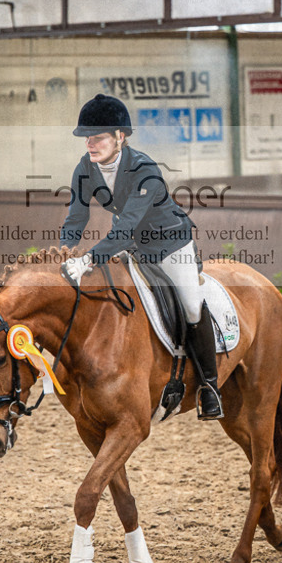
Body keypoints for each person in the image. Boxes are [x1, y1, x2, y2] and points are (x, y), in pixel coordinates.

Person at [59, 93, 223, 420]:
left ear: (120, 137)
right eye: (87, 138)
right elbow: (76, 217)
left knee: (191, 305)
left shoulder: (144, 169)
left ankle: (209, 386)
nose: (90, 144)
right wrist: (66, 250)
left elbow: (125, 229)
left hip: (170, 244)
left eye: (98, 137)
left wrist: (87, 260)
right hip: (135, 246)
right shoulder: (84, 168)